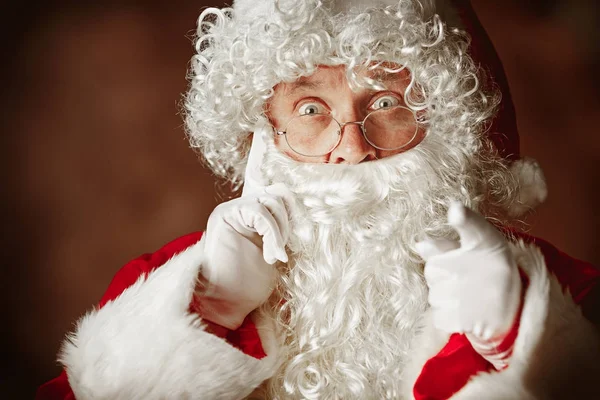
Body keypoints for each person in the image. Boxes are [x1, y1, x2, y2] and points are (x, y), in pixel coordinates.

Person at [38, 0, 600, 399]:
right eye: (310, 110)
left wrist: (517, 347)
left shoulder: (550, 289)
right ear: (262, 133)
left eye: (384, 103)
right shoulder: (180, 285)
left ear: (446, 122)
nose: (352, 149)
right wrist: (210, 316)